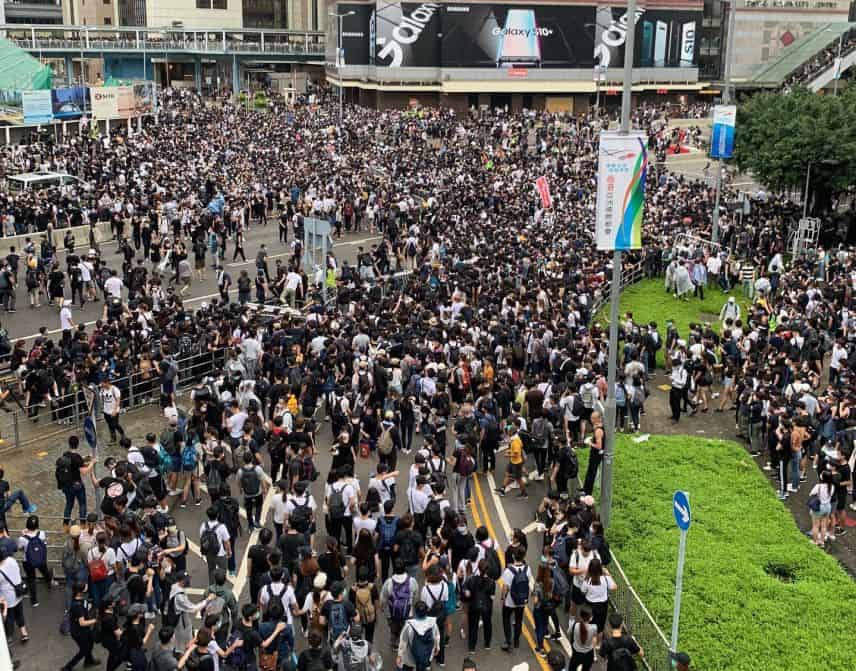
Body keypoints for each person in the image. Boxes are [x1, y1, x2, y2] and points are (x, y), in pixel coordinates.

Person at [60, 581, 100, 671]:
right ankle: (67, 667)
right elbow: (82, 623)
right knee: (84, 650)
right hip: (79, 632)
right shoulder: (77, 606)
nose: (87, 587)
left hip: (85, 630)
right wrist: (95, 620)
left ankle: (89, 661)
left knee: (90, 645)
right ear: (80, 591)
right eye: (84, 587)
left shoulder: (79, 599)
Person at [57, 435, 94, 527]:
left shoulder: (65, 454)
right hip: (76, 485)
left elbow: (78, 461)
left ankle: (65, 525)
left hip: (66, 485)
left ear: (69, 444)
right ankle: (82, 524)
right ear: (78, 444)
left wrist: (86, 458)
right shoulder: (76, 457)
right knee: (82, 504)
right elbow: (84, 471)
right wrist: (92, 462)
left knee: (69, 504)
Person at [381, 559, 418, 647]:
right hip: (407, 612)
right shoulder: (412, 581)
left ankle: (395, 644)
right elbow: (416, 596)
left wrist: (382, 608)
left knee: (394, 630)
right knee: (406, 630)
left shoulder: (388, 582)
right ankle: (405, 644)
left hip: (392, 614)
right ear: (405, 568)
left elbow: (383, 599)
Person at [500, 545, 529, 652]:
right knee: (518, 620)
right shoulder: (527, 569)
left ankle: (508, 642)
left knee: (506, 619)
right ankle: (516, 641)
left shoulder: (508, 571)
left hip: (510, 601)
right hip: (521, 601)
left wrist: (502, 599)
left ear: (513, 556)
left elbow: (505, 588)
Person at [462, 558, 494, 654]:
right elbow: (492, 597)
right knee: (487, 624)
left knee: (473, 626)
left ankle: (472, 647)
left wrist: (468, 593)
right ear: (488, 570)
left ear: (479, 568)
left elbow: (466, 590)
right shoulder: (491, 582)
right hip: (487, 607)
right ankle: (487, 644)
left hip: (474, 605)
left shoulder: (472, 579)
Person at [397, 600, 440, 671]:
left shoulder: (409, 626)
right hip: (425, 655)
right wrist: (437, 648)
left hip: (410, 657)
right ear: (426, 612)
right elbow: (436, 637)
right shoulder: (432, 624)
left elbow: (403, 642)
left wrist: (399, 655)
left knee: (407, 667)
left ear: (415, 612)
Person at [200, 506, 232, 584]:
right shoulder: (221, 527)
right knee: (222, 570)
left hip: (209, 553)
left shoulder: (203, 525)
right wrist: (229, 551)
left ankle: (212, 586)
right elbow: (226, 541)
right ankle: (221, 585)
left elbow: (201, 538)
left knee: (211, 569)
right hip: (220, 553)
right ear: (217, 515)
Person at [495, 419, 527, 499]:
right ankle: (502, 490)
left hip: (516, 463)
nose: (507, 432)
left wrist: (508, 455)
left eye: (508, 431)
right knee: (507, 474)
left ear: (511, 432)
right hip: (513, 462)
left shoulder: (515, 441)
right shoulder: (514, 438)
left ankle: (524, 494)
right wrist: (509, 451)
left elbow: (516, 453)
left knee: (518, 479)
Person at [581, 411, 604, 495]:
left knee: (591, 473)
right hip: (594, 453)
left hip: (596, 454)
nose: (591, 420)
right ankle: (585, 488)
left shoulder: (598, 431)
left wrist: (589, 443)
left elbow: (599, 446)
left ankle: (588, 492)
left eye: (592, 418)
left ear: (596, 419)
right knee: (589, 471)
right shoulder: (597, 427)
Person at [568, 606, 597, 671]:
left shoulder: (575, 625)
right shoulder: (594, 627)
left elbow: (569, 632)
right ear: (590, 618)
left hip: (576, 653)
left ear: (581, 616)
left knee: (572, 668)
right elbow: (594, 640)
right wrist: (594, 653)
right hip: (588, 654)